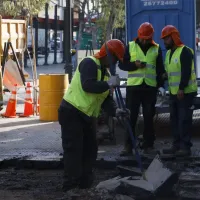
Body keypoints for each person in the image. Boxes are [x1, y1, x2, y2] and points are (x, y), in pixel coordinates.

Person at [58, 39, 127, 191]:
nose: (114, 63)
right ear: (108, 54)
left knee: (90, 150)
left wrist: (115, 110)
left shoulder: (105, 73)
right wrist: (109, 84)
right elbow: (88, 85)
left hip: (87, 116)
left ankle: (84, 185)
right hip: (72, 112)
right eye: (115, 58)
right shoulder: (90, 63)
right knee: (74, 150)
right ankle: (70, 187)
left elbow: (105, 99)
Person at [119, 22, 166, 155]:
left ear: (151, 37)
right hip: (134, 87)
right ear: (139, 36)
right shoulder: (131, 46)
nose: (145, 41)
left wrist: (161, 85)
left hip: (150, 88)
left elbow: (159, 69)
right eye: (143, 38)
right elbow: (122, 65)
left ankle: (148, 145)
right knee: (131, 117)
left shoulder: (156, 49)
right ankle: (128, 145)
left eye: (147, 38)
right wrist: (134, 65)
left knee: (148, 117)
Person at [161, 25, 197, 156]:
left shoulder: (185, 51)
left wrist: (181, 88)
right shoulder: (169, 53)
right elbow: (172, 71)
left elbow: (186, 72)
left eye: (166, 39)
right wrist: (165, 75)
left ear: (174, 38)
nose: (164, 42)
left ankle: (185, 147)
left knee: (184, 120)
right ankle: (176, 145)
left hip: (185, 92)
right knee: (174, 119)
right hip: (174, 92)